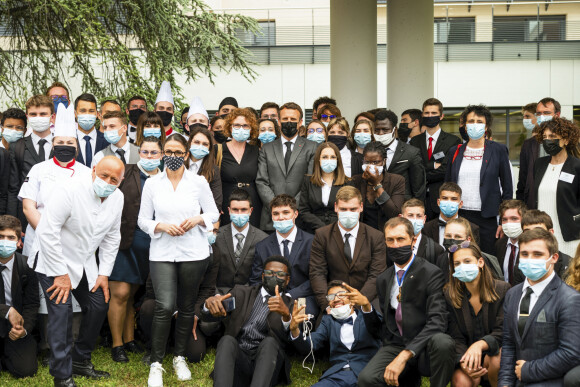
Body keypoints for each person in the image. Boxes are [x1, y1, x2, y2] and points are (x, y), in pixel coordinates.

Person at [35, 154, 125, 387]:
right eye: (103, 175)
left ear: (120, 182)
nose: (107, 182)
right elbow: (47, 231)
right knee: (61, 313)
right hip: (51, 260)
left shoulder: (118, 199)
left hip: (85, 263)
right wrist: (60, 273)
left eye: (114, 180)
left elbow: (112, 237)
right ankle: (62, 375)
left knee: (98, 305)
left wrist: (104, 273)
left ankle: (80, 360)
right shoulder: (69, 190)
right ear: (93, 170)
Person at [137, 133, 219, 387]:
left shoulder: (198, 182)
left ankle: (179, 357)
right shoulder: (152, 184)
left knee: (185, 306)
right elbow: (142, 220)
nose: (173, 156)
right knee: (163, 304)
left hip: (193, 251)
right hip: (162, 252)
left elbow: (214, 212)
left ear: (186, 154)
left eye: (178, 152)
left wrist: (197, 219)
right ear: (162, 153)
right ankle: (157, 363)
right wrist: (160, 225)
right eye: (168, 152)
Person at [358, 217, 455, 387]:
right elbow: (384, 328)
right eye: (390, 240)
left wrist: (406, 354)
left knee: (443, 342)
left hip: (426, 345)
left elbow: (438, 321)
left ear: (413, 240)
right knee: (367, 379)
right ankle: (408, 380)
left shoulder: (431, 273)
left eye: (401, 239)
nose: (395, 245)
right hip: (397, 343)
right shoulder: (384, 279)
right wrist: (366, 307)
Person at [498, 228, 580, 387]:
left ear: (554, 257)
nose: (530, 259)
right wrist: (505, 383)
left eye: (537, 254)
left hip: (551, 382)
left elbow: (570, 353)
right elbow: (509, 344)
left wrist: (529, 370)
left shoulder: (570, 299)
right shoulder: (512, 294)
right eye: (524, 254)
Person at [106, 136, 163, 363]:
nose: (149, 157)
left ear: (162, 155)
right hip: (124, 241)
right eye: (145, 152)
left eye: (154, 153)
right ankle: (116, 344)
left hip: (151, 244)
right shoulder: (126, 172)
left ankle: (129, 340)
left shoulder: (166, 178)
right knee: (119, 293)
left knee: (132, 295)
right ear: (139, 153)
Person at [202, 256, 294, 387]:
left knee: (270, 342)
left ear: (287, 279)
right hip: (240, 361)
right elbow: (213, 314)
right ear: (262, 276)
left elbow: (290, 340)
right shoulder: (241, 293)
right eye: (269, 273)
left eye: (280, 274)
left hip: (267, 364)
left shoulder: (290, 305)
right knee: (227, 340)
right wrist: (209, 306)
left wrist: (286, 315)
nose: (274, 277)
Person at [445, 104, 513, 255]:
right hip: (460, 215)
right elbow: (448, 184)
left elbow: (507, 188)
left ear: (487, 126)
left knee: (487, 258)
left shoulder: (498, 150)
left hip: (488, 217)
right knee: (460, 255)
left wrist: (504, 221)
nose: (475, 125)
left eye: (479, 121)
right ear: (465, 125)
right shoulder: (455, 151)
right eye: (471, 121)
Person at [289, 280, 381, 387]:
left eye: (341, 295)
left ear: (351, 299)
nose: (336, 299)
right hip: (338, 376)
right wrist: (294, 329)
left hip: (368, 374)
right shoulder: (327, 321)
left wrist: (367, 306)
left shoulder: (367, 315)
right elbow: (310, 345)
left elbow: (378, 329)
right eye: (331, 297)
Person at [309, 186, 387, 311]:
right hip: (333, 302)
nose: (348, 213)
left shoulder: (376, 237)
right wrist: (328, 304)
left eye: (353, 209)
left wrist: (357, 303)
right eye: (343, 209)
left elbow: (376, 275)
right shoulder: (322, 235)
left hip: (366, 301)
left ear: (361, 207)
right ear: (335, 207)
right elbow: (317, 273)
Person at [444, 242, 510, 387]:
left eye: (467, 261)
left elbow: (503, 331)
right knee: (461, 381)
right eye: (457, 263)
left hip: (494, 352)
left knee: (497, 360)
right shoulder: (450, 295)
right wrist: (464, 361)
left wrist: (480, 345)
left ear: (480, 262)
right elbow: (455, 336)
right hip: (466, 355)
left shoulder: (502, 290)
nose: (462, 266)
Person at [250, 194, 316, 316]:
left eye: (286, 212)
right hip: (272, 300)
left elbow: (315, 278)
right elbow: (256, 280)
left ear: (295, 214)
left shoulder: (311, 242)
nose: (281, 217)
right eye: (276, 214)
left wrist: (290, 295)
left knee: (303, 321)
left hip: (302, 297)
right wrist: (272, 297)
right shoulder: (262, 246)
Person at [256, 102, 317, 231]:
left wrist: (292, 208)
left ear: (300, 122)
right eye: (285, 119)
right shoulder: (266, 148)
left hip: (300, 219)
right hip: (271, 219)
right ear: (278, 121)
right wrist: (277, 209)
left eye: (293, 119)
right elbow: (261, 181)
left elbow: (310, 181)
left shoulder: (311, 147)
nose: (289, 122)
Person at [532, 116, 580, 257]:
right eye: (545, 137)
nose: (548, 140)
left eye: (552, 136)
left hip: (569, 235)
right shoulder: (539, 164)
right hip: (542, 234)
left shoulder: (576, 166)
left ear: (565, 140)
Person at [206, 189, 268, 295]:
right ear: (229, 210)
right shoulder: (216, 236)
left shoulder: (263, 239)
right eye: (235, 210)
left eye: (244, 210)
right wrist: (216, 295)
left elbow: (261, 275)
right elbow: (208, 271)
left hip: (248, 296)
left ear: (251, 211)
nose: (239, 214)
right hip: (218, 295)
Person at [0, 215, 39, 378]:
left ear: (18, 242)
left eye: (10, 237)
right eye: (1, 236)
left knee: (25, 370)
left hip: (14, 328)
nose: (4, 241)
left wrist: (23, 330)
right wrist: (8, 311)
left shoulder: (27, 266)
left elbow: (32, 304)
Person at [410, 98, 462, 220]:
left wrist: (421, 172)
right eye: (427, 113)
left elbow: (446, 170)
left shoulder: (453, 141)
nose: (430, 116)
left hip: (440, 200)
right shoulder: (414, 141)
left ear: (441, 116)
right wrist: (433, 165)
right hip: (419, 199)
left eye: (434, 113)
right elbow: (413, 169)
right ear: (422, 115)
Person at [8, 96, 55, 228]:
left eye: (43, 114)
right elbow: (13, 189)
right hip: (25, 219)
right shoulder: (17, 147)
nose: (38, 117)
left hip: (56, 215)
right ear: (27, 116)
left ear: (52, 117)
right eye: (33, 114)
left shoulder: (62, 145)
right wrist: (14, 225)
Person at [219, 108, 262, 227]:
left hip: (251, 202)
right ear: (229, 127)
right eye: (237, 125)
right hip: (226, 203)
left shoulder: (256, 151)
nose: (241, 129)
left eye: (245, 125)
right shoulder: (219, 150)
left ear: (251, 128)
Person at [349, 142, 405, 231]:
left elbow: (394, 213)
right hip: (362, 233)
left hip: (386, 233)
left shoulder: (396, 181)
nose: (371, 166)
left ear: (384, 161)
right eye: (367, 162)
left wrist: (376, 184)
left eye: (376, 162)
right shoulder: (356, 181)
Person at [375, 109, 426, 201]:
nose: (380, 133)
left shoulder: (411, 152)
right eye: (377, 130)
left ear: (394, 129)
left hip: (402, 206)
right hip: (376, 207)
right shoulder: (370, 151)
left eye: (385, 130)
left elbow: (418, 187)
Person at [297, 142, 348, 234]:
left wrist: (333, 228)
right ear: (318, 160)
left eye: (332, 157)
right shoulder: (308, 181)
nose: (329, 160)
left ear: (338, 160)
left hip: (339, 231)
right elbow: (304, 210)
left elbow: (349, 209)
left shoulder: (347, 182)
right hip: (313, 231)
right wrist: (321, 227)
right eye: (324, 157)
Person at [512, 209, 572, 284]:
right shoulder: (520, 267)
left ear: (551, 233)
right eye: (527, 232)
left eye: (538, 231)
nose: (532, 236)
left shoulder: (569, 264)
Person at [422, 182, 480, 246]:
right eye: (445, 198)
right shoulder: (426, 228)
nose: (449, 202)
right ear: (438, 202)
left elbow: (474, 253)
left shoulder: (472, 228)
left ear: (460, 204)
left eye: (454, 199)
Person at [187, 125, 223, 213]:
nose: (200, 146)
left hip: (201, 221)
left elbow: (216, 203)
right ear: (189, 143)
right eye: (196, 142)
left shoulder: (214, 170)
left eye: (205, 144)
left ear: (209, 148)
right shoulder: (179, 165)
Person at [399, 198, 445, 267]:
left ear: (424, 219)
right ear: (401, 218)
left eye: (419, 216)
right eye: (410, 215)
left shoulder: (436, 250)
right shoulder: (393, 244)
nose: (414, 219)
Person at [494, 200, 527, 285]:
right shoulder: (500, 244)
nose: (508, 223)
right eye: (504, 219)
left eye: (514, 219)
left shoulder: (530, 245)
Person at [516, 102, 541, 208]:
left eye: (528, 116)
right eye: (524, 116)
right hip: (530, 199)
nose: (525, 120)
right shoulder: (528, 144)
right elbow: (523, 176)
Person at [74, 93, 107, 167]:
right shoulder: (68, 140)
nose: (87, 114)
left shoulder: (107, 140)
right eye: (83, 111)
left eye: (91, 111)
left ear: (96, 114)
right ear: (75, 113)